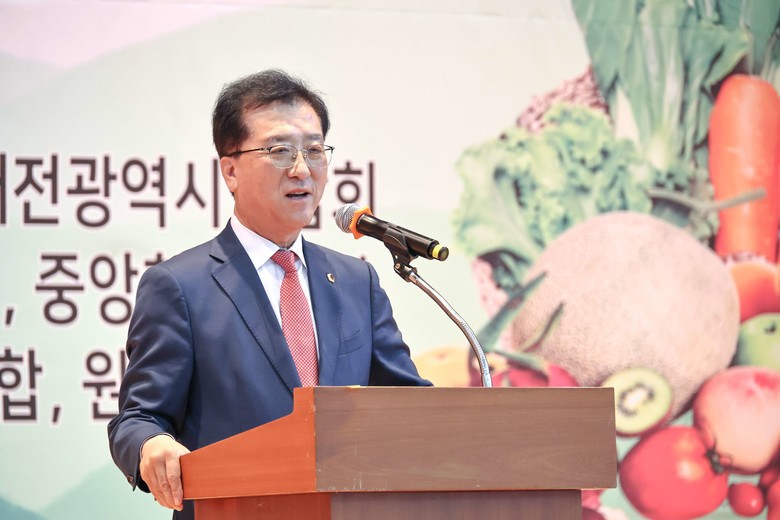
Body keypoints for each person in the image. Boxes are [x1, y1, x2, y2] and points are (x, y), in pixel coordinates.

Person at [107, 69, 431, 519]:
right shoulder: (180, 285)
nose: (302, 169)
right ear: (230, 170)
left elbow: (411, 407)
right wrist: (152, 444)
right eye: (280, 151)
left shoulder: (357, 282)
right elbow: (139, 418)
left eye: (314, 150)